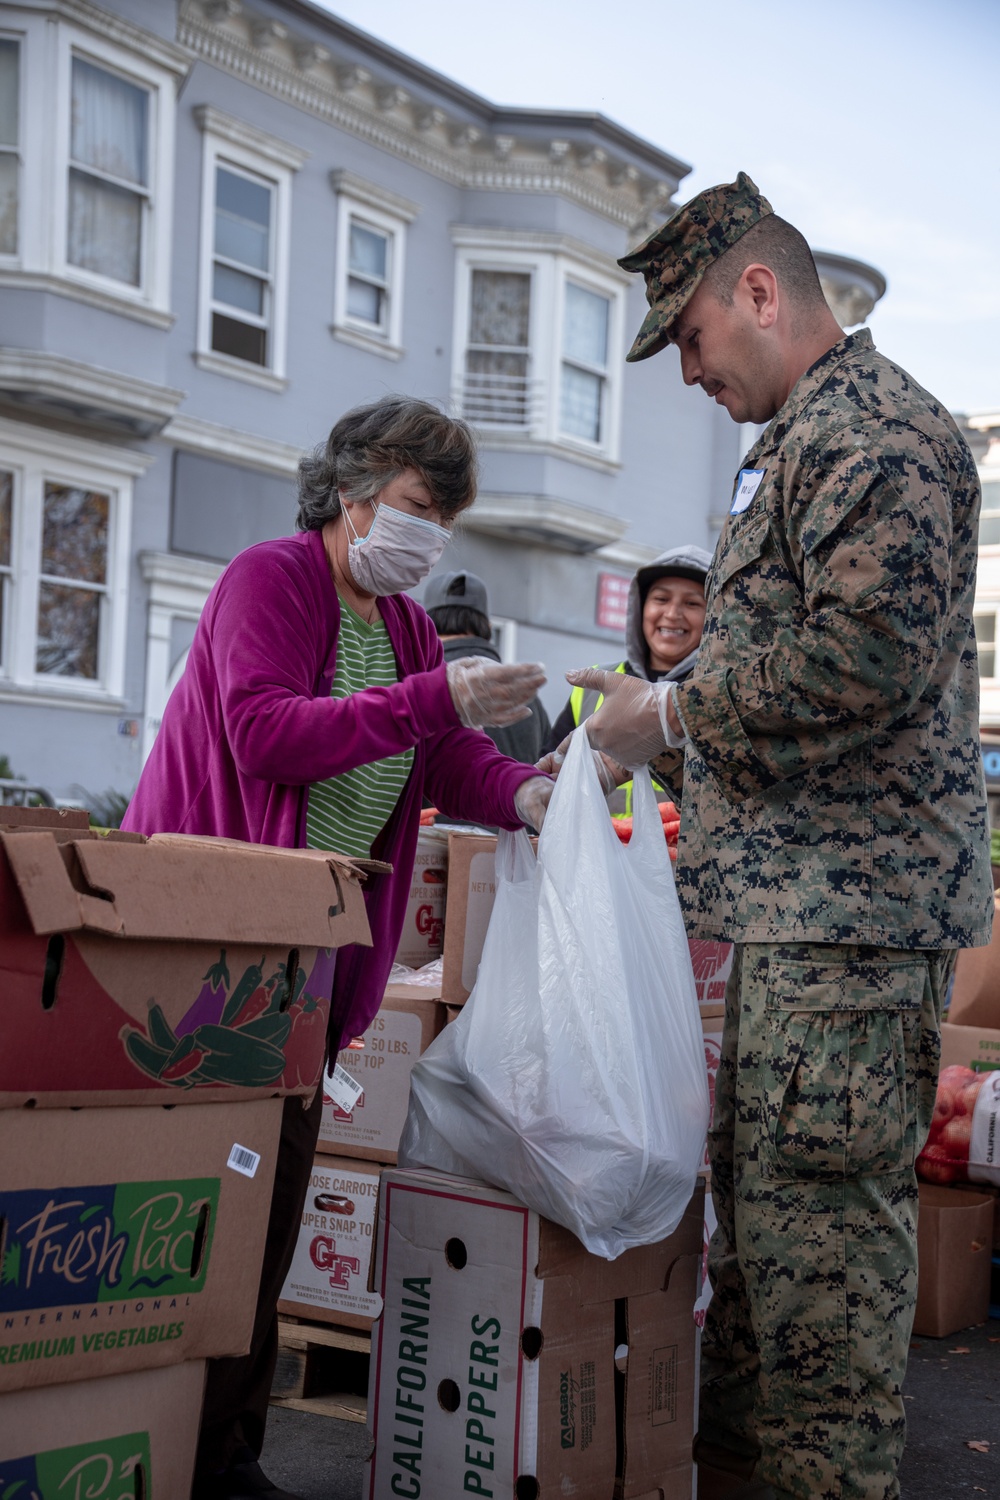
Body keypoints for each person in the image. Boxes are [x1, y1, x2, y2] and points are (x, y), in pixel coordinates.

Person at [561, 175, 992, 1500]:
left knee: (819, 1290)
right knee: (763, 1254)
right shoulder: (804, 438)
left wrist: (669, 713)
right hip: (790, 920)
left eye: (688, 338)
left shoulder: (873, 435)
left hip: (844, 931)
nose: (685, 373)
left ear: (759, 293)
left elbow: (865, 658)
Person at [121, 396, 555, 1500]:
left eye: (447, 518)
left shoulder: (406, 625)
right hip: (206, 950)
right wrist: (425, 700)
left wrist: (528, 792)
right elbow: (265, 733)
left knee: (262, 1217)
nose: (430, 536)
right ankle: (171, 1446)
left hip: (306, 971)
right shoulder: (269, 580)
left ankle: (225, 1456)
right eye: (418, 508)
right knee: (200, 1211)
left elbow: (445, 763)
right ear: (351, 492)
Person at [543, 546, 711, 814]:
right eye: (661, 599)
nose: (672, 613)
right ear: (639, 607)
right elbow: (550, 774)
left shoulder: (717, 696)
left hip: (680, 855)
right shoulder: (592, 687)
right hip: (597, 855)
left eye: (692, 603)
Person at [424, 568, 551, 764]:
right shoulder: (526, 696)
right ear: (489, 628)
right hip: (517, 793)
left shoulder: (420, 684)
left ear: (423, 625)